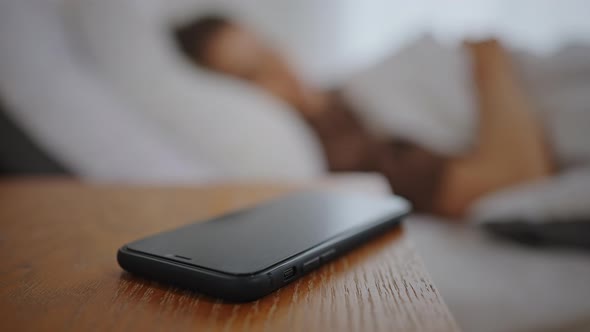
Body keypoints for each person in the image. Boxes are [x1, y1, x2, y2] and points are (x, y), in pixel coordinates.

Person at [173, 16, 553, 218]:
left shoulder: (342, 92)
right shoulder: (342, 149)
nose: (282, 67)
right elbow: (514, 177)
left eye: (269, 47)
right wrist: (491, 67)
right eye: (253, 73)